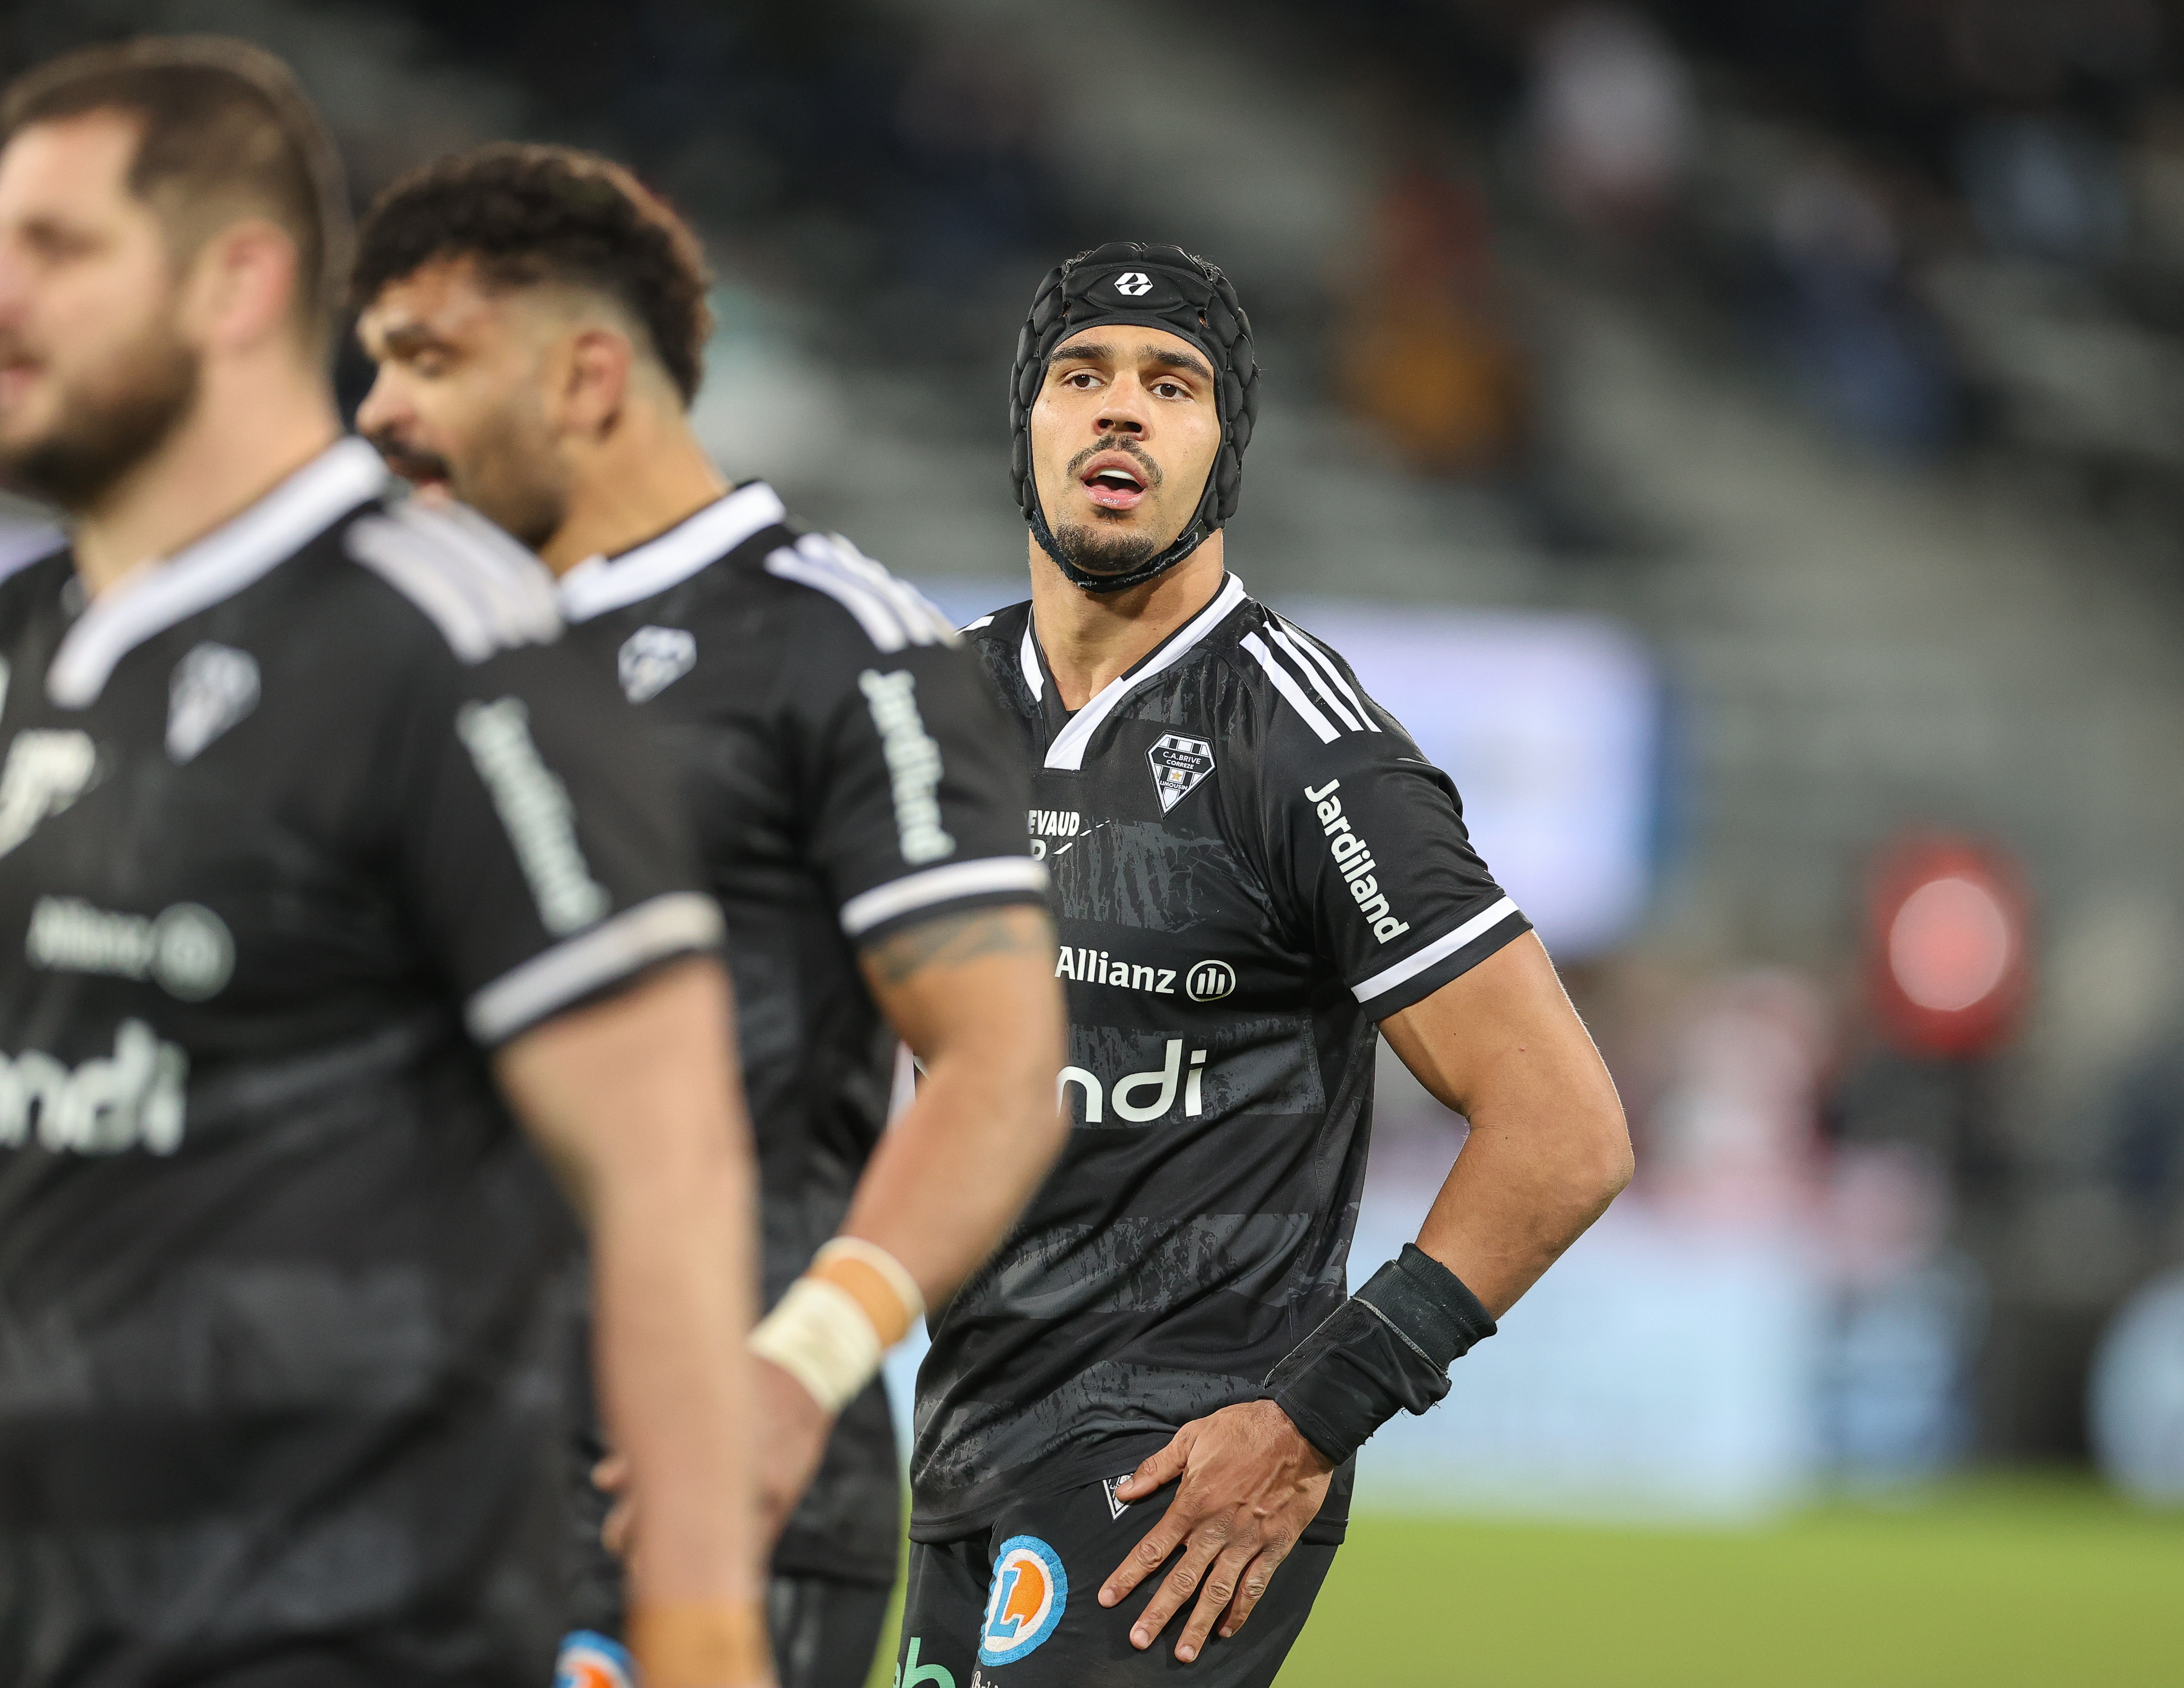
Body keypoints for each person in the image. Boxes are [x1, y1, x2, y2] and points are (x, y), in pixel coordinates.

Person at [0, 42, 769, 1688]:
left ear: (235, 284)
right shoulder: (25, 641)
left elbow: (669, 1170)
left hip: (327, 1632)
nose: (5, 296)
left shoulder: (447, 648)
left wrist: (703, 1636)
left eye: (56, 249)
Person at [347, 145, 1069, 1688]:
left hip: (680, 1488)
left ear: (590, 375)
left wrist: (799, 1372)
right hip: (402, 1480)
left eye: (429, 359)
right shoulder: (413, 654)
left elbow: (1004, 1064)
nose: (378, 412)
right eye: (375, 363)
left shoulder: (839, 645)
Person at [898, 242, 1636, 1688]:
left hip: (1177, 1469)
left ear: (1223, 448)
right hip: (964, 1444)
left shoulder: (1305, 746)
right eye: (1080, 376)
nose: (1120, 408)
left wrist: (1310, 1422)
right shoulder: (929, 710)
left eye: (1171, 385)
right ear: (1026, 424)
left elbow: (1564, 1132)